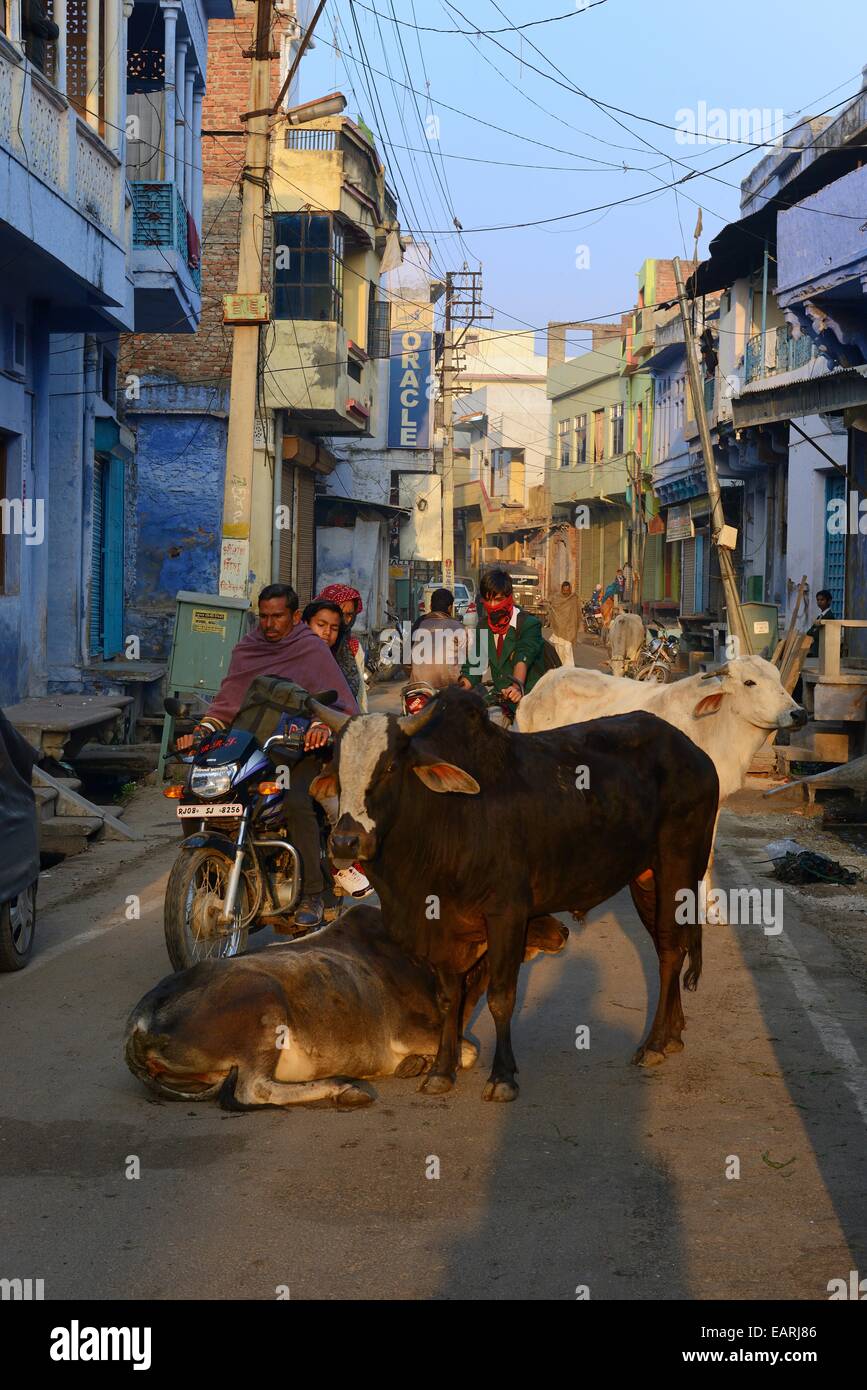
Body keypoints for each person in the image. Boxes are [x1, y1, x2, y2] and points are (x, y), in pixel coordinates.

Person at [177, 584, 357, 929]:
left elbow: (336, 706)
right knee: (198, 794)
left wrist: (320, 726)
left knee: (296, 801)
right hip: (249, 747)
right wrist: (201, 731)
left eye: (278, 617)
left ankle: (312, 895)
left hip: (301, 749)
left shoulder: (311, 649)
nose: (270, 624)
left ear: (293, 616)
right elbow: (228, 702)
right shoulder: (248, 648)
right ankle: (214, 877)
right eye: (265, 617)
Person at [302, 599, 373, 900]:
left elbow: (347, 705)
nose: (327, 633)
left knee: (333, 802)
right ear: (303, 623)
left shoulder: (343, 658)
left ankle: (343, 865)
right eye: (321, 625)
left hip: (329, 747)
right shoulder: (288, 655)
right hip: (282, 743)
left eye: (334, 628)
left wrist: (323, 725)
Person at [459, 566, 545, 709]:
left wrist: (516, 687)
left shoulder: (529, 624)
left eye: (498, 600)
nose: (492, 606)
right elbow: (475, 668)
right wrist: (454, 692)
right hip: (500, 697)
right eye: (488, 600)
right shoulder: (484, 626)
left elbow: (522, 658)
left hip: (531, 697)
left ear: (509, 597)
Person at [317, 583, 368, 712]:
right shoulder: (305, 645)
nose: (344, 621)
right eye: (339, 613)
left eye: (349, 615)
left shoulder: (353, 647)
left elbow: (360, 696)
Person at [410, 587, 467, 689]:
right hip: (449, 687)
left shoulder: (419, 623)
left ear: (430, 606)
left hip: (419, 687)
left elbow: (407, 661)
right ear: (450, 608)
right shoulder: (457, 626)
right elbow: (466, 658)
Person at [545, 580, 580, 667]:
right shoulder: (557, 597)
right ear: (562, 589)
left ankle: (569, 668)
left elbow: (577, 612)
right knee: (559, 650)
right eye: (564, 590)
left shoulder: (574, 598)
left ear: (570, 590)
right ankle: (560, 667)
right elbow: (551, 604)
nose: (566, 592)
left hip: (569, 628)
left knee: (567, 649)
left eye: (567, 590)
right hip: (559, 629)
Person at [807, 589, 836, 659]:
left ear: (828, 601)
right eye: (818, 600)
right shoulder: (820, 616)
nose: (819, 602)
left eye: (822, 600)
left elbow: (817, 634)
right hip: (816, 649)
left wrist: (814, 631)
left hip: (822, 649)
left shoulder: (829, 616)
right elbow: (809, 632)